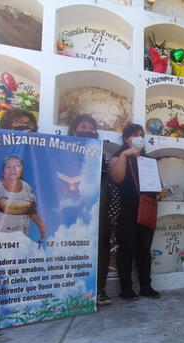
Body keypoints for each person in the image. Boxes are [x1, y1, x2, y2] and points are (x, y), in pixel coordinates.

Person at [110, 123, 165, 301]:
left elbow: (158, 185)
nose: (140, 137)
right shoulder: (117, 156)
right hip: (127, 208)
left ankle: (146, 287)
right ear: (126, 138)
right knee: (127, 249)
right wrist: (125, 155)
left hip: (147, 207)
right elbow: (117, 178)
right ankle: (126, 289)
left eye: (142, 134)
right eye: (135, 134)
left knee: (144, 249)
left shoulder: (148, 159)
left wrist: (161, 190)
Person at [67, 114, 119, 306]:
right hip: (71, 210)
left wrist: (113, 210)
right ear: (74, 131)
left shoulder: (100, 154)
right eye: (83, 126)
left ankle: (99, 290)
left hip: (100, 211)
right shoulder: (61, 153)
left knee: (102, 250)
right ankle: (70, 291)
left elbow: (110, 185)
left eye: (91, 127)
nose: (88, 130)